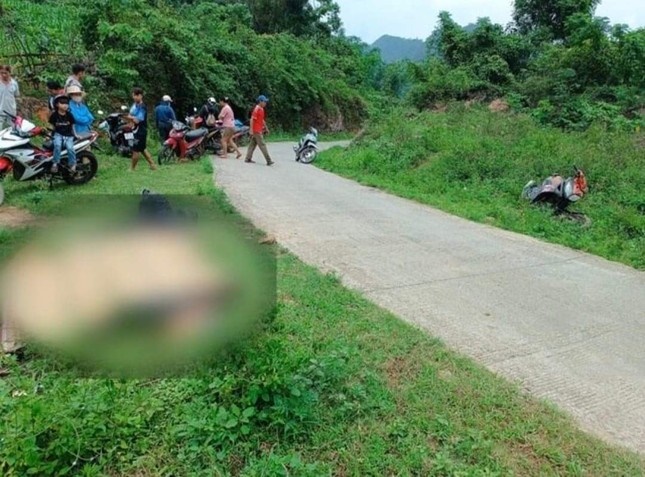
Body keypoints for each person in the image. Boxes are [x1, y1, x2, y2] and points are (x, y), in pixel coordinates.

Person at [126, 87, 157, 171]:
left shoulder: (142, 107)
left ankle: (132, 168)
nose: (134, 97)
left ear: (140, 96)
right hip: (135, 129)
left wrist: (131, 118)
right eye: (133, 96)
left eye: (135, 96)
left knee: (135, 150)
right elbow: (130, 115)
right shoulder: (134, 105)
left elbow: (137, 120)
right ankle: (152, 165)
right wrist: (130, 118)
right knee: (142, 149)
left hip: (141, 131)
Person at [48, 95, 77, 174]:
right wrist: (49, 135)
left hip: (69, 136)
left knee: (70, 148)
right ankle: (55, 163)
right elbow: (51, 126)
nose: (65, 105)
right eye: (62, 103)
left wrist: (76, 135)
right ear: (57, 104)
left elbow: (73, 126)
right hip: (58, 134)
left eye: (67, 103)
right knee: (57, 146)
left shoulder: (70, 115)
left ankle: (73, 164)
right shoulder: (54, 115)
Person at [244, 95, 274, 166]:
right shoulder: (257, 109)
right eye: (264, 101)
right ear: (260, 101)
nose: (265, 103)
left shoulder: (262, 109)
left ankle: (247, 158)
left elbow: (262, 120)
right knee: (262, 145)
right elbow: (252, 119)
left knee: (252, 144)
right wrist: (251, 130)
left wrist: (266, 127)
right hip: (256, 130)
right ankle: (268, 160)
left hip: (258, 129)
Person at [0, 65, 20, 130]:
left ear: (9, 73)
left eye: (5, 73)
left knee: (12, 131)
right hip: (0, 112)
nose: (3, 75)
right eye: (1, 73)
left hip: (11, 112)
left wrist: (17, 109)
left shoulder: (14, 83)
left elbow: (16, 96)